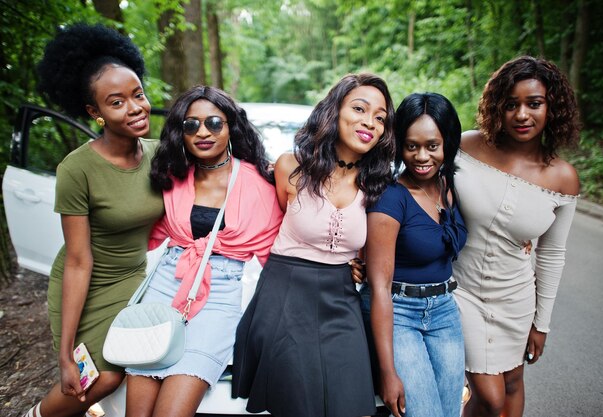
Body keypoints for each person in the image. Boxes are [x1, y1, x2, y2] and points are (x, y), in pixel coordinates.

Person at [231, 73, 396, 417]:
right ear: (334, 112)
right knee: (299, 403)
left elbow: (370, 248)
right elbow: (272, 224)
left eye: (380, 118)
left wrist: (357, 261)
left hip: (341, 298)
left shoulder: (377, 185)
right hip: (285, 293)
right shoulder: (291, 167)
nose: (370, 122)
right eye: (360, 109)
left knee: (352, 403)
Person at [23, 23, 164, 417]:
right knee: (95, 378)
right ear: (94, 112)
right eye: (116, 102)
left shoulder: (160, 155)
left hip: (134, 283)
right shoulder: (77, 168)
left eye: (138, 95)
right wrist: (65, 351)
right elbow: (78, 260)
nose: (135, 108)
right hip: (85, 285)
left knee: (133, 367)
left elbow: (217, 170)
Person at [124, 86, 284, 417]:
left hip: (219, 298)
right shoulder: (172, 175)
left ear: (231, 127)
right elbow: (143, 236)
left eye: (214, 122)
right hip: (166, 287)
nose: (203, 132)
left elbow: (279, 256)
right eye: (190, 125)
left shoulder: (259, 183)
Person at [453, 56, 580, 417]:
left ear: (551, 107)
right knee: (489, 394)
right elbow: (423, 194)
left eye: (534, 104)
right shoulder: (465, 147)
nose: (522, 115)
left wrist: (541, 323)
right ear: (497, 108)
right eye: (511, 104)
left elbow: (552, 254)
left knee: (511, 383)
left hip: (516, 298)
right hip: (460, 289)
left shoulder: (563, 178)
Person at [360, 92, 468, 417]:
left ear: (447, 142)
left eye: (432, 146)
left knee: (449, 413)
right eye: (411, 146)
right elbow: (378, 286)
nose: (421, 156)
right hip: (399, 313)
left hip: (445, 311)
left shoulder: (450, 185)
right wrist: (388, 372)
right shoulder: (392, 199)